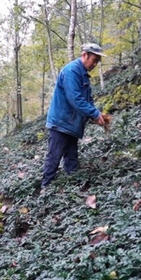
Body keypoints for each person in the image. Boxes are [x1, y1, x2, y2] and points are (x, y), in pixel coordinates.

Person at [42, 43, 107, 187]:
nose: (95, 64)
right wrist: (94, 113)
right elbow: (75, 99)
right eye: (94, 60)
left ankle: (72, 189)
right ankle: (45, 189)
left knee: (71, 156)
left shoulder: (83, 75)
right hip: (61, 122)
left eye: (97, 61)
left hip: (72, 124)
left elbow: (87, 100)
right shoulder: (71, 71)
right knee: (54, 156)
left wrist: (95, 115)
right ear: (84, 55)